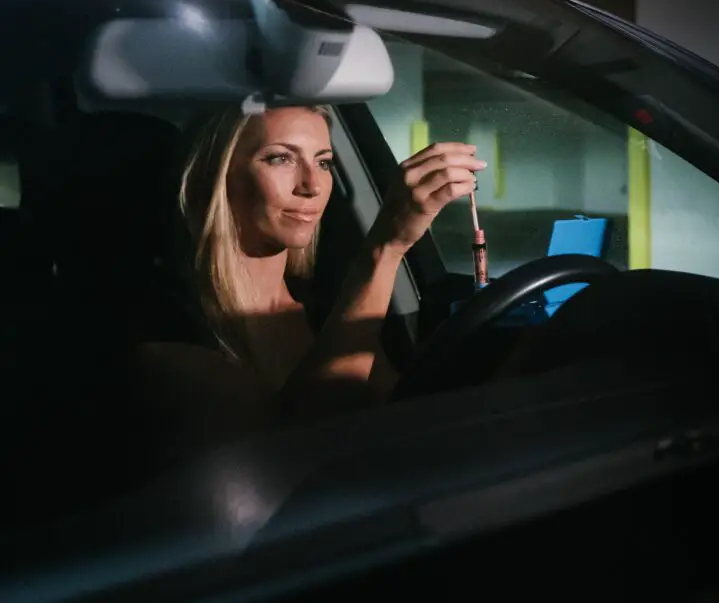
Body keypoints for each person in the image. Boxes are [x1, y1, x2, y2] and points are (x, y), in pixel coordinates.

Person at [134, 104, 486, 454]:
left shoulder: (322, 310)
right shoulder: (169, 327)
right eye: (280, 159)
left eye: (324, 162)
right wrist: (385, 248)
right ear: (214, 175)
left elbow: (400, 418)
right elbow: (295, 449)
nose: (312, 186)